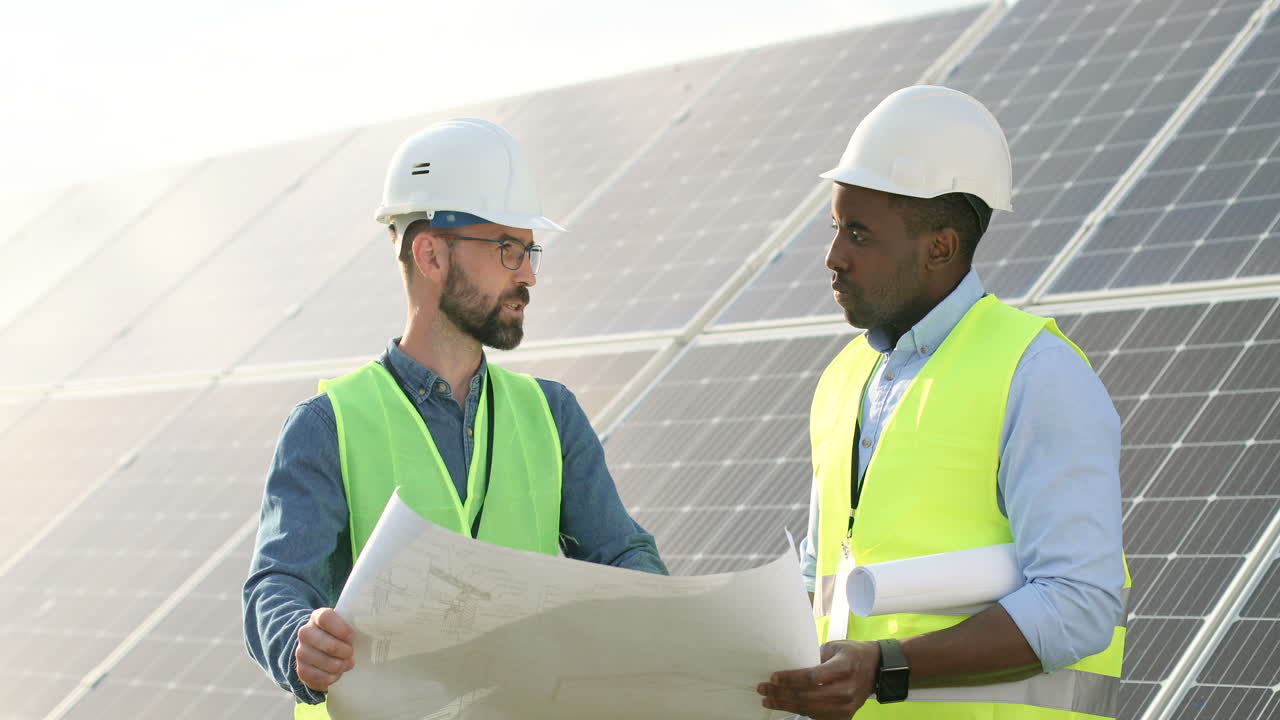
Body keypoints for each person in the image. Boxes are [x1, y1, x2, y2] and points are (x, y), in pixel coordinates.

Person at [242, 118, 667, 719]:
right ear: (431, 253)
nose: (529, 274)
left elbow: (621, 555)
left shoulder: (553, 414)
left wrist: (660, 608)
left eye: (529, 250)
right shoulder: (327, 424)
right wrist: (298, 639)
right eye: (508, 250)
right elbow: (277, 583)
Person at [757, 86, 1129, 719]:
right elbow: (822, 582)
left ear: (940, 247)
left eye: (859, 233)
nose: (833, 256)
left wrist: (886, 668)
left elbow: (1080, 604)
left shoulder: (1038, 375)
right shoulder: (843, 380)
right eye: (835, 227)